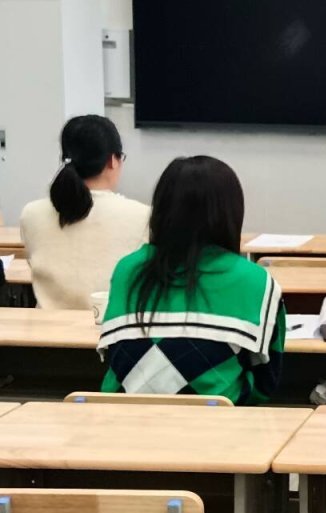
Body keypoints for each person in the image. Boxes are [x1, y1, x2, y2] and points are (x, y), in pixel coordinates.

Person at [97, 156, 285, 404]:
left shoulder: (127, 270)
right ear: (230, 213)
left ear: (160, 210)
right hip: (217, 425)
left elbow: (114, 361)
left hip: (120, 422)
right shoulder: (256, 280)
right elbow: (266, 382)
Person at [20, 115, 149, 309]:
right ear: (112, 160)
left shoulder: (31, 214)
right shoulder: (143, 216)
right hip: (110, 325)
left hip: (47, 326)